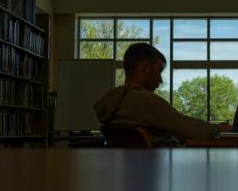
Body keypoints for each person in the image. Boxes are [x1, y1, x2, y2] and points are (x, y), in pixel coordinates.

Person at [94, 43, 231, 143]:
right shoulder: (143, 100)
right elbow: (188, 128)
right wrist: (219, 128)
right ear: (146, 68)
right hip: (162, 169)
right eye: (159, 71)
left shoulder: (114, 100)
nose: (160, 80)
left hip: (136, 173)